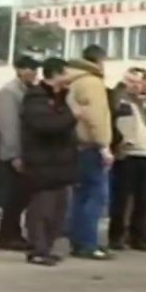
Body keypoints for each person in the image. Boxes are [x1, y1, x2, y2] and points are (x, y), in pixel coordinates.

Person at [19, 58, 78, 266]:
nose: (69, 78)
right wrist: (74, 116)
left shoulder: (60, 97)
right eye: (66, 73)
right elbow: (45, 125)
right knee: (42, 208)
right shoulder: (36, 97)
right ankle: (37, 249)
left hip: (60, 163)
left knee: (58, 211)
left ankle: (47, 248)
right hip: (42, 162)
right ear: (55, 74)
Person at [109, 68, 146, 251]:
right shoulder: (120, 100)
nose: (136, 85)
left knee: (145, 200)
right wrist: (122, 84)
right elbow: (112, 102)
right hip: (127, 154)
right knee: (122, 199)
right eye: (131, 82)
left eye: (138, 82)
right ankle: (116, 236)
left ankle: (138, 237)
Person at [65, 45, 114, 260]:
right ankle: (88, 243)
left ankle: (78, 240)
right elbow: (96, 116)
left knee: (80, 196)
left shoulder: (72, 81)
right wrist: (104, 145)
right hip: (91, 145)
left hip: (75, 144)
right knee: (96, 195)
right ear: (100, 60)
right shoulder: (92, 83)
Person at [0, 55, 39, 251]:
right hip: (14, 154)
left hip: (26, 151)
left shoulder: (28, 90)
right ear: (19, 69)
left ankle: (15, 234)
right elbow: (8, 125)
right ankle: (7, 236)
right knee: (14, 198)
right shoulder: (9, 92)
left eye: (35, 70)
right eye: (29, 69)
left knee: (22, 197)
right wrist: (14, 154)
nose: (33, 74)